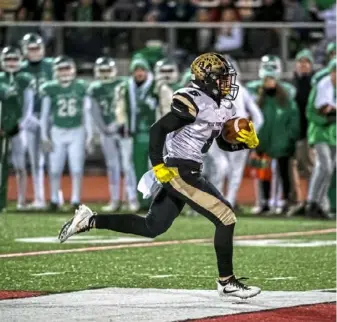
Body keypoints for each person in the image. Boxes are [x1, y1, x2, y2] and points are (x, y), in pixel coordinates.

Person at [58, 53, 261, 299]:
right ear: (205, 79)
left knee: (152, 226)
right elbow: (158, 130)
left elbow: (219, 142)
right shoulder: (194, 100)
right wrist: (157, 166)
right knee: (226, 217)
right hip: (179, 170)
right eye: (221, 79)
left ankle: (90, 220)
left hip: (189, 169)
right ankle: (226, 281)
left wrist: (243, 143)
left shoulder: (221, 105)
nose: (226, 84)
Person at [205, 57, 264, 210]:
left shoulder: (241, 91)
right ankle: (216, 202)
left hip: (236, 137)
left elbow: (258, 117)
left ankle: (227, 204)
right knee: (221, 167)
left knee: (234, 172)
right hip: (216, 135)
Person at [116, 56, 173, 210]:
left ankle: (160, 201)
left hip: (155, 133)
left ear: (147, 71)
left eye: (142, 70)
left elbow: (168, 108)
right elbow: (120, 107)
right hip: (134, 133)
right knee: (132, 168)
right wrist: (121, 123)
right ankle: (136, 200)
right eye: (136, 70)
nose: (139, 73)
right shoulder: (125, 88)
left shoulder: (159, 87)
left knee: (157, 168)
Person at [247, 55, 299, 215]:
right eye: (267, 79)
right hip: (263, 142)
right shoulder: (257, 97)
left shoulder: (286, 97)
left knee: (282, 174)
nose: (269, 82)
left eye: (271, 79)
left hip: (281, 143)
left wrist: (291, 137)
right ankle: (264, 203)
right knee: (263, 174)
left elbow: (293, 118)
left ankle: (282, 203)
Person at [40, 56, 93, 210]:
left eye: (67, 68)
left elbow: (87, 112)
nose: (64, 72)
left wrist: (89, 135)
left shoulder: (81, 87)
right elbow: (44, 115)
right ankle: (55, 199)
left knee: (76, 168)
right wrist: (44, 136)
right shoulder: (50, 88)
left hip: (77, 130)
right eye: (61, 69)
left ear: (73, 70)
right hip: (57, 130)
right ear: (56, 71)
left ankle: (76, 199)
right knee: (55, 168)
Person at [87, 57, 126, 212]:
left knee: (127, 166)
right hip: (106, 130)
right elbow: (93, 111)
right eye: (102, 70)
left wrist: (119, 124)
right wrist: (103, 128)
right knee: (112, 165)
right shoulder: (94, 88)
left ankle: (131, 198)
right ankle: (115, 199)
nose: (105, 73)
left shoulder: (123, 84)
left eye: (107, 70)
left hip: (123, 129)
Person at [20, 33, 54, 210]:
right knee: (35, 161)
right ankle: (39, 198)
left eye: (37, 48)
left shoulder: (51, 65)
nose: (34, 52)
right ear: (25, 49)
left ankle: (56, 197)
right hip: (31, 118)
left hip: (51, 118)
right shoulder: (21, 68)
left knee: (54, 161)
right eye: (31, 48)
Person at [0, 46, 34, 210]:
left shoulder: (25, 78)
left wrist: (21, 124)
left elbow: (29, 106)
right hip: (1, 127)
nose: (11, 62)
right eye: (8, 59)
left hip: (19, 127)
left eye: (14, 59)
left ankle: (21, 200)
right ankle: (2, 201)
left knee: (20, 165)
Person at [301, 58, 336, 218]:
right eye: (334, 71)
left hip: (333, 134)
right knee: (326, 167)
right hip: (319, 132)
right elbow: (310, 111)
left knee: (327, 170)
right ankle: (312, 202)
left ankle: (319, 204)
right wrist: (325, 119)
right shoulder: (321, 86)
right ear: (331, 72)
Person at [290, 49, 315, 204]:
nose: (303, 65)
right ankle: (298, 200)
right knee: (294, 168)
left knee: (310, 167)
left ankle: (312, 200)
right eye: (300, 62)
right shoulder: (292, 83)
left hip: (308, 132)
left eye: (306, 62)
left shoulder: (314, 84)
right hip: (294, 132)